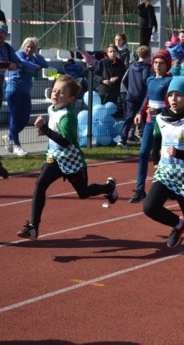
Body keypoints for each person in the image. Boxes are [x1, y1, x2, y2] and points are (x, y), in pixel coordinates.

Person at [16, 75, 118, 240]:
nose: (55, 94)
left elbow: (64, 141)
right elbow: (55, 133)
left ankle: (109, 188)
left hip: (71, 160)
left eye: (61, 93)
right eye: (54, 90)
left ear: (70, 99)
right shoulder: (52, 108)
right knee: (40, 186)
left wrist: (45, 129)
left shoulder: (68, 116)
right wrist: (45, 131)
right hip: (55, 158)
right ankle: (33, 227)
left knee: (83, 193)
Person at [143, 76, 184, 272]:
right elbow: (156, 139)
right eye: (171, 95)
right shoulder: (161, 118)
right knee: (149, 207)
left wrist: (178, 153)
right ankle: (178, 224)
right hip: (166, 173)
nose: (173, 99)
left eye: (179, 95)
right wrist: (156, 162)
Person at [129, 49, 173, 203]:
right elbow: (147, 98)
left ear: (167, 65)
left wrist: (159, 110)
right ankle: (140, 189)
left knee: (163, 157)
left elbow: (171, 105)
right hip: (149, 122)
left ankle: (166, 189)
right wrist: (139, 113)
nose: (157, 66)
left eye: (161, 63)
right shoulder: (150, 80)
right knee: (143, 153)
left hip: (165, 123)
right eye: (155, 63)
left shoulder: (170, 81)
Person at [3, 37, 49, 157]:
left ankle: (9, 137)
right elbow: (24, 64)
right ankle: (18, 146)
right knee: (15, 117)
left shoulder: (33, 57)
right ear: (24, 46)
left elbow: (45, 64)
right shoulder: (17, 54)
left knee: (24, 120)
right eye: (28, 46)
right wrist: (35, 66)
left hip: (25, 91)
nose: (29, 49)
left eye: (33, 47)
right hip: (14, 89)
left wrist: (37, 54)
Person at [117, 45, 151, 150]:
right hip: (142, 96)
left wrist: (130, 89)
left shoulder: (131, 66)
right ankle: (145, 140)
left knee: (129, 117)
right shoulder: (147, 68)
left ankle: (123, 139)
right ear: (148, 56)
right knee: (144, 118)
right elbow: (146, 81)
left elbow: (124, 80)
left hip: (131, 95)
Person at [0, 21, 19, 174]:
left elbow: (17, 61)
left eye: (3, 34)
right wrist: (7, 64)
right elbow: (7, 64)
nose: (1, 37)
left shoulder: (7, 48)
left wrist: (14, 64)